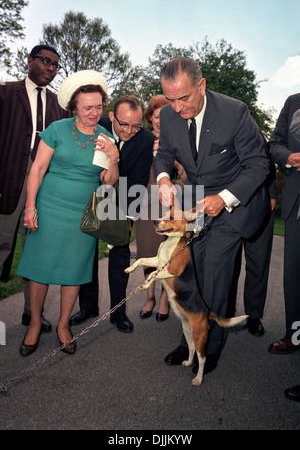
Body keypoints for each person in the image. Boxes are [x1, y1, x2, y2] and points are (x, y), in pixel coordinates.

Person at [154, 57, 270, 374]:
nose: (176, 108)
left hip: (234, 201)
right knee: (192, 274)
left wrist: (223, 197)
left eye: (184, 98)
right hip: (196, 204)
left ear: (202, 86)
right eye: (170, 99)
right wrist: (163, 178)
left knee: (217, 273)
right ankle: (188, 340)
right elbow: (165, 154)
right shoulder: (168, 113)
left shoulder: (235, 112)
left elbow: (259, 164)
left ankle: (209, 347)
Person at [16, 70, 119, 356]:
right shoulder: (57, 130)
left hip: (83, 214)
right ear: (74, 106)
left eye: (98, 106)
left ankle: (63, 325)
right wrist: (30, 206)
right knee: (40, 269)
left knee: (74, 271)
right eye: (88, 107)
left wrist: (113, 157)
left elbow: (108, 183)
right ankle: (35, 323)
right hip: (48, 208)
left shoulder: (105, 137)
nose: (94, 112)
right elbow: (37, 169)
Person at [69, 95, 154, 332]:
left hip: (122, 197)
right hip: (90, 192)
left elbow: (138, 178)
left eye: (136, 125)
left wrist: (129, 216)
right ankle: (88, 307)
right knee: (86, 253)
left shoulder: (145, 139)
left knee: (120, 254)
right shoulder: (98, 127)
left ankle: (118, 312)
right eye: (124, 124)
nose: (129, 131)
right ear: (112, 117)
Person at [0, 45, 68, 332]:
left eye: (55, 65)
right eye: (45, 61)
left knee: (35, 252)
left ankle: (32, 314)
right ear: (29, 61)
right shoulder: (5, 93)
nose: (50, 68)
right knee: (1, 244)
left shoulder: (59, 105)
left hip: (43, 185)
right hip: (7, 181)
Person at [136, 94, 186, 321]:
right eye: (156, 116)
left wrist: (174, 162)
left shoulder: (180, 139)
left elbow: (187, 177)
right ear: (150, 117)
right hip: (146, 200)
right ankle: (150, 297)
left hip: (173, 203)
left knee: (169, 254)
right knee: (147, 250)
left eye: (164, 116)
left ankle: (165, 299)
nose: (160, 121)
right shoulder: (143, 140)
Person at [229, 143, 277, 336]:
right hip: (231, 205)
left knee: (258, 263)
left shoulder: (255, 134)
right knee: (228, 265)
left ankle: (254, 316)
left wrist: (272, 193)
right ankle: (225, 313)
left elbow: (268, 163)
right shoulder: (222, 131)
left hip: (261, 203)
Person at [268, 93, 300, 354]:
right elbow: (275, 142)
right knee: (294, 276)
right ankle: (295, 336)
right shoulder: (294, 102)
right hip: (295, 203)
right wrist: (289, 157)